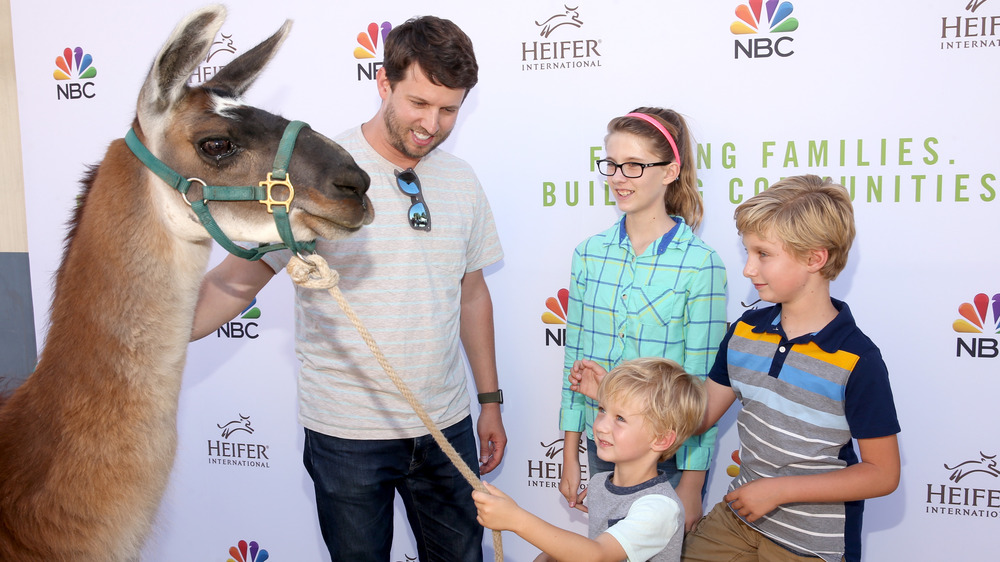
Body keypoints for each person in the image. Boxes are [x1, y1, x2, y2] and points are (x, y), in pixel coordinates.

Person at [191, 16, 506, 562]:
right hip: (347, 436)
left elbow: (472, 294)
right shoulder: (316, 173)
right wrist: (145, 335)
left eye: (449, 109)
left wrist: (489, 401)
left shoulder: (462, 181)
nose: (432, 123)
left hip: (446, 426)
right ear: (383, 83)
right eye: (418, 102)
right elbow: (234, 283)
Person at [681, 175, 901, 562]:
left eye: (763, 254)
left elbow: (883, 474)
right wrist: (614, 394)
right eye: (747, 252)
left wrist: (780, 490)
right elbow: (699, 417)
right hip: (738, 519)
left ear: (815, 259)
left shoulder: (858, 359)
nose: (748, 269)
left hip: (812, 545)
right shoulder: (744, 331)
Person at [558, 108, 728, 531]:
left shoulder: (700, 265)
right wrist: (570, 455)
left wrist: (691, 484)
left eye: (634, 165)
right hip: (601, 449)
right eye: (612, 164)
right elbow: (574, 364)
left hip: (665, 457)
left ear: (670, 170)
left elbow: (700, 387)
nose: (618, 177)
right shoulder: (588, 254)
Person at [475, 358, 707, 562]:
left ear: (661, 439)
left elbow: (598, 554)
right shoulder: (599, 483)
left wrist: (516, 519)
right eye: (602, 409)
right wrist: (552, 554)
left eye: (620, 418)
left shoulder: (659, 508)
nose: (601, 426)